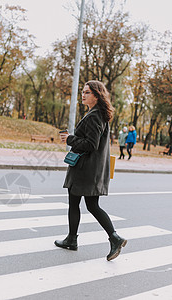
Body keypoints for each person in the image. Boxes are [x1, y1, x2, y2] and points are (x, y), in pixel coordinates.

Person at [56, 80, 127, 261]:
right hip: (89, 168)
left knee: (83, 204)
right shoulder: (96, 113)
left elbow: (91, 144)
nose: (83, 94)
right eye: (83, 91)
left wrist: (70, 139)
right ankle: (75, 239)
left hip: (85, 168)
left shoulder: (95, 115)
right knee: (87, 204)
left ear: (96, 95)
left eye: (87, 92)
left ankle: (112, 238)